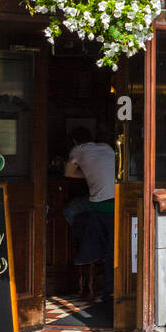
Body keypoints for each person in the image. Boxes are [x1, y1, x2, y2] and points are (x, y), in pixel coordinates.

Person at [64, 128, 115, 305]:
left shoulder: (77, 150)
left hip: (99, 205)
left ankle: (83, 250)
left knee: (70, 210)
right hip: (118, 201)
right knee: (112, 248)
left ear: (74, 141)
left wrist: (85, 174)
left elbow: (68, 173)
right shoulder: (108, 148)